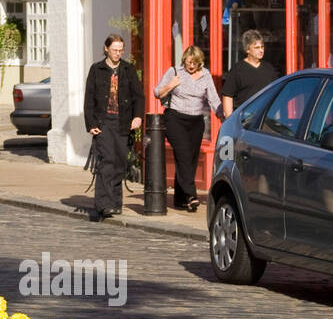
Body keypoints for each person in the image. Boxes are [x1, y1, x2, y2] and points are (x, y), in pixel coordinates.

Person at [154, 45, 224, 212]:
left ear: (200, 63)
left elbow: (213, 99)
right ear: (184, 59)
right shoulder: (175, 72)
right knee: (183, 154)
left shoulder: (205, 75)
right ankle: (192, 195)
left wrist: (223, 116)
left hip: (196, 122)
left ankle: (180, 199)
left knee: (190, 160)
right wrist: (171, 85)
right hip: (175, 119)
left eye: (195, 63)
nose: (191, 66)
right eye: (188, 62)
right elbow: (157, 93)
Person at [84, 34, 142, 219]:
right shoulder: (97, 69)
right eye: (114, 50)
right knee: (107, 161)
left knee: (119, 162)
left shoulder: (128, 70)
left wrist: (138, 117)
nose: (118, 53)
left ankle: (116, 203)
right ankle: (104, 203)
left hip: (123, 121)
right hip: (104, 122)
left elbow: (138, 96)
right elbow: (89, 98)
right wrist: (91, 123)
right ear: (106, 49)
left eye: (120, 50)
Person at [222, 30, 278, 116]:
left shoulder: (269, 69)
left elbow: (276, 94)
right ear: (247, 49)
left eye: (262, 47)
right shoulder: (237, 70)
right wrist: (229, 119)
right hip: (244, 116)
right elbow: (228, 96)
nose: (261, 50)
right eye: (256, 47)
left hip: (266, 115)